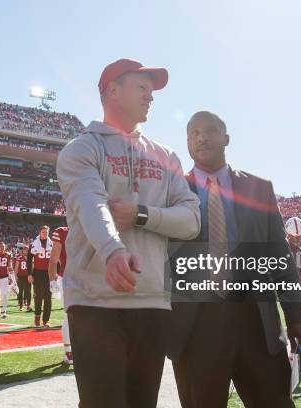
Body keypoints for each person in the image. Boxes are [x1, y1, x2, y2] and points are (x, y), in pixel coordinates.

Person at [57, 58, 201, 408]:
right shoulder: (82, 148)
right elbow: (91, 203)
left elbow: (192, 220)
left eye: (152, 91)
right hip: (96, 302)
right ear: (112, 91)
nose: (150, 97)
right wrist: (112, 250)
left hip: (152, 300)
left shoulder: (166, 156)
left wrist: (141, 215)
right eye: (142, 88)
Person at [167, 111, 301, 407]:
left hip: (256, 322)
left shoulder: (258, 188)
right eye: (193, 132)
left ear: (227, 138)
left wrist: (297, 317)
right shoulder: (170, 190)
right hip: (195, 328)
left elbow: (279, 257)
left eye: (209, 130)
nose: (201, 137)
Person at [48, 225, 72, 365]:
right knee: (69, 315)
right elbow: (53, 260)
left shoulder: (91, 226)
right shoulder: (62, 232)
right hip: (68, 277)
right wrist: (52, 279)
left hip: (87, 278)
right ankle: (69, 352)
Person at [27, 225, 53, 327]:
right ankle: (37, 316)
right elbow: (29, 259)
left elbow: (56, 259)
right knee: (38, 296)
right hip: (37, 273)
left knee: (48, 297)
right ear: (39, 232)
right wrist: (29, 274)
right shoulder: (34, 244)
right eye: (43, 232)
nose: (45, 234)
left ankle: (46, 320)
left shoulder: (52, 244)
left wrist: (56, 273)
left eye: (46, 232)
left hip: (49, 273)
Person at [14, 245, 32, 312]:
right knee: (20, 292)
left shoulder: (30, 258)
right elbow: (16, 267)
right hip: (21, 277)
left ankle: (28, 305)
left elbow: (33, 267)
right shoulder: (19, 258)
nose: (26, 251)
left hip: (28, 276)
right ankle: (21, 305)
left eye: (27, 250)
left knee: (28, 292)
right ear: (23, 250)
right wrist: (15, 276)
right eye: (25, 249)